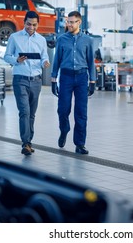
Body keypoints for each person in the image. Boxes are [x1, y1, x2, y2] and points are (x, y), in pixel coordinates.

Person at [4, 11, 50, 156]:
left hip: (36, 80)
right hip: (20, 79)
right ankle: (25, 143)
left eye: (34, 25)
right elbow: (6, 56)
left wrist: (45, 62)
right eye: (28, 24)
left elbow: (44, 57)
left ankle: (29, 141)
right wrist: (17, 60)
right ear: (24, 23)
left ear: (38, 24)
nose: (31, 27)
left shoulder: (41, 40)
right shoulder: (14, 37)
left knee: (32, 114)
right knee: (24, 111)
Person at [51, 11, 96, 155]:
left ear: (79, 22)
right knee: (63, 109)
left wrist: (92, 81)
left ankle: (80, 144)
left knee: (81, 112)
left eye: (72, 22)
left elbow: (90, 62)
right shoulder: (62, 39)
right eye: (67, 22)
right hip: (66, 77)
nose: (69, 24)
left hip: (82, 77)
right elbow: (56, 59)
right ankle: (64, 130)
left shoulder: (88, 40)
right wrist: (53, 80)